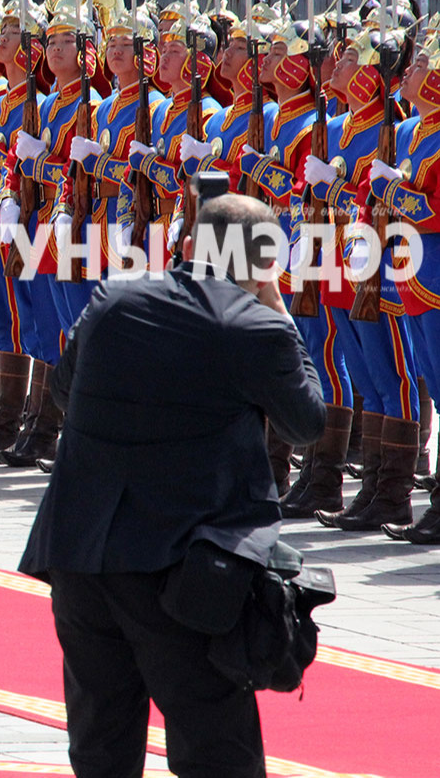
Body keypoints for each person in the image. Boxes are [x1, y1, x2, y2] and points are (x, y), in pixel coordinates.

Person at [20, 191, 325, 778]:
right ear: (264, 266)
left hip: (82, 552)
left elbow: (63, 391)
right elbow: (306, 421)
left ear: (187, 246)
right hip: (182, 567)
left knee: (101, 746)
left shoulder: (114, 297)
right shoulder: (253, 326)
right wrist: (278, 309)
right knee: (216, 750)